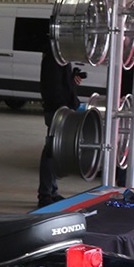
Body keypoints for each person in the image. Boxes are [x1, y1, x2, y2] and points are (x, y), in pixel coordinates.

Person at [38, 47, 83, 208]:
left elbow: (62, 85)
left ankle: (51, 191)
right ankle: (45, 194)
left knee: (54, 152)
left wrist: (72, 79)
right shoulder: (54, 58)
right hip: (57, 111)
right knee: (51, 152)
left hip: (60, 110)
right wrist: (64, 108)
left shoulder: (62, 57)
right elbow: (53, 88)